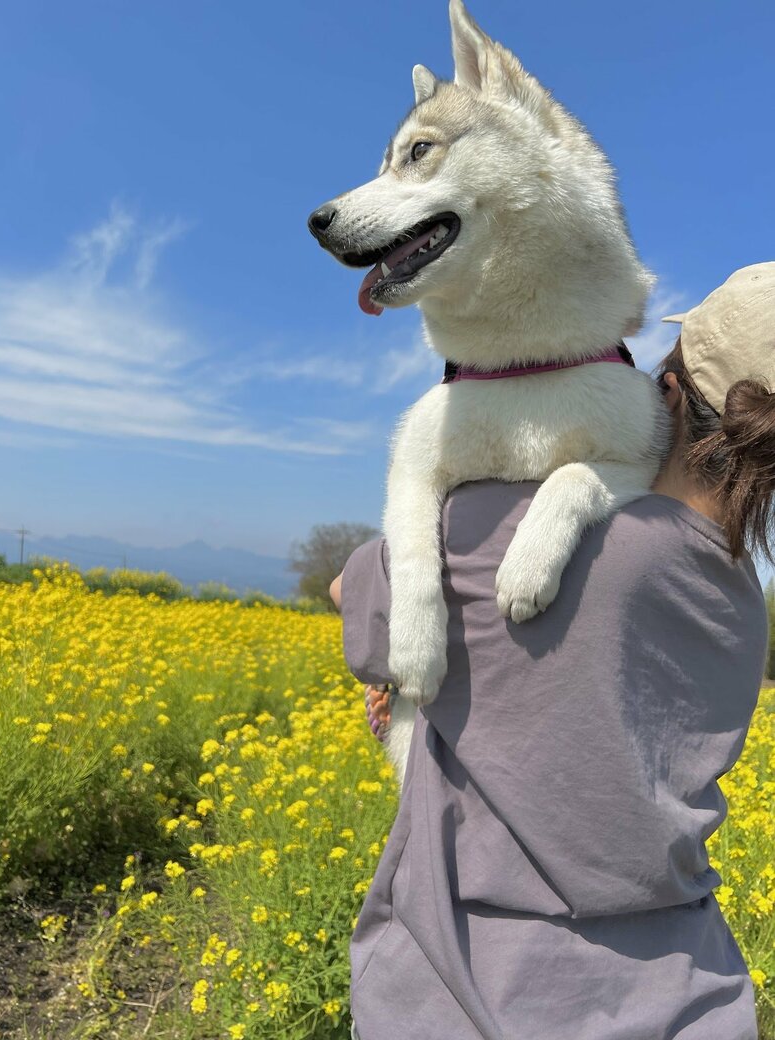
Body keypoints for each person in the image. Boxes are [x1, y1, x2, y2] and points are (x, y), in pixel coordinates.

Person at [330, 262, 774, 1040]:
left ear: (665, 397)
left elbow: (350, 591)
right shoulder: (741, 596)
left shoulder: (530, 536)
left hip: (476, 994)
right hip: (686, 996)